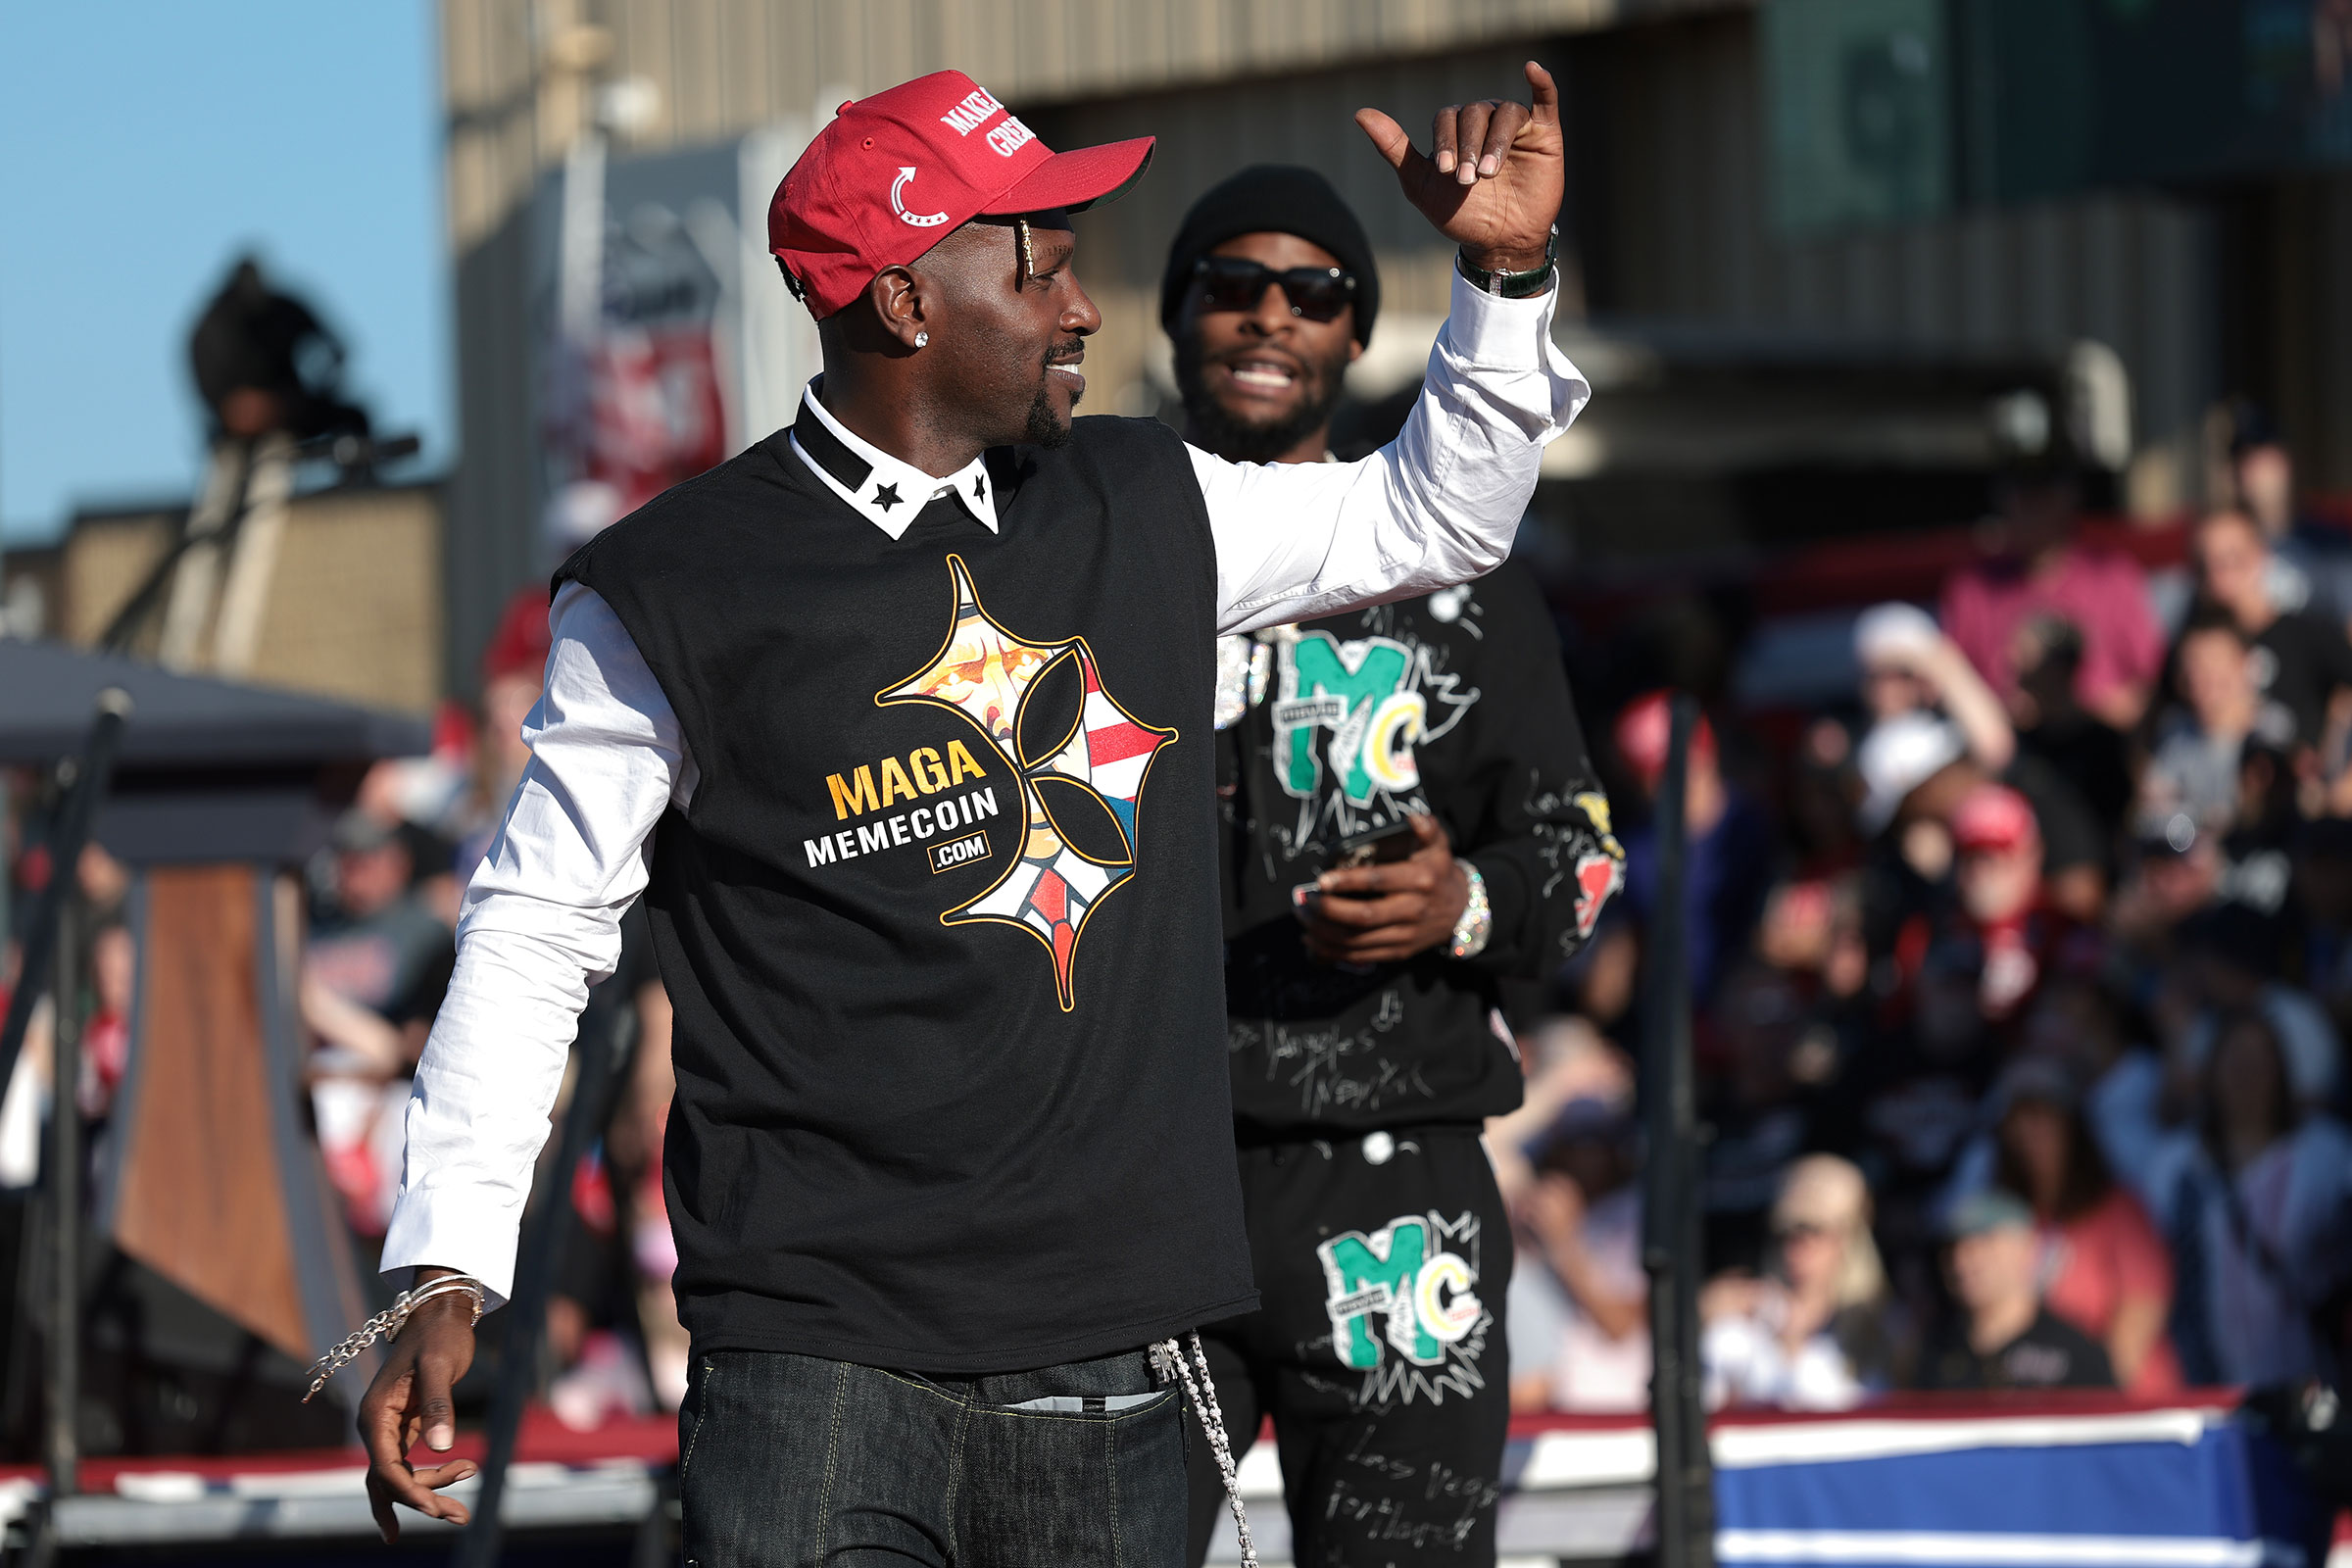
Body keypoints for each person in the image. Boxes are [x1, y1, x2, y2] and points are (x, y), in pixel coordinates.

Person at [356, 66, 1589, 1565]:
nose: (1081, 308)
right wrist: (446, 1260)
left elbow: (1438, 516)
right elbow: (536, 928)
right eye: (1041, 265)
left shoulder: (1144, 496)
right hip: (817, 1365)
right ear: (906, 305)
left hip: (1118, 1358)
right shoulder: (668, 590)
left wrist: (1505, 277)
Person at [1159, 163, 1622, 1568]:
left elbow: (1581, 860)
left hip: (1395, 1196)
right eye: (1232, 286)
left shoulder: (1457, 581)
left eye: (1313, 294)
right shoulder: (1088, 568)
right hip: (1136, 1192)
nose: (1267, 319)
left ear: (1358, 333)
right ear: (1175, 316)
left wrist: (1461, 901)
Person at [2139, 1008, 2352, 1388]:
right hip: (2199, 1381)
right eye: (2234, 1060)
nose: (2246, 1074)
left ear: (2282, 1073)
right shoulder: (2173, 1164)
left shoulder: (2327, 1157)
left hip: (2304, 1380)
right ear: (2211, 1072)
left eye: (2260, 1062)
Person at [1986, 1059, 2181, 1396]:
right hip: (2039, 1409)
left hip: (2123, 1405)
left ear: (2072, 1127)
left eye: (2044, 1119)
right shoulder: (2005, 1217)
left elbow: (2141, 1312)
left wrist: (2090, 1402)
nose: (2030, 1134)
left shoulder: (2120, 1211)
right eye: (2019, 1122)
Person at [1938, 466, 2164, 733]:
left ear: (2070, 496)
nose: (2032, 506)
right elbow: (1946, 682)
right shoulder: (1973, 586)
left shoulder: (2111, 573)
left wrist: (2088, 708)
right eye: (2021, 491)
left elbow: (2152, 681)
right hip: (2008, 747)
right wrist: (1998, 710)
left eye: (2044, 490)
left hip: (2101, 745)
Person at [1702, 1154, 1898, 1410]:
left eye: (1816, 1232)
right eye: (1788, 1233)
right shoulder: (1738, 1329)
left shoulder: (1884, 1328)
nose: (1800, 1247)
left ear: (1848, 1241)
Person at [1507, 1095, 1650, 1412]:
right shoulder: (1536, 1212)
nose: (1581, 1157)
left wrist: (1564, 1241)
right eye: (1570, 1144)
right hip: (1546, 1401)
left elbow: (1620, 1326)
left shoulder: (1635, 1212)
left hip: (1616, 1409)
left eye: (1592, 1143)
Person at [2185, 508, 2352, 756]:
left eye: (2230, 560)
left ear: (2262, 556)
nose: (2217, 576)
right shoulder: (2189, 645)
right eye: (2205, 565)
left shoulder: (2308, 634)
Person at [1916, 1189, 2116, 1392]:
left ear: (2028, 1247)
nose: (1962, 1260)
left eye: (1984, 1241)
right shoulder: (1934, 1351)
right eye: (1952, 1247)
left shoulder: (2075, 1354)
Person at [2138, 612, 2297, 840]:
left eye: (2214, 664)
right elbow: (2153, 811)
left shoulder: (2275, 731)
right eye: (2192, 665)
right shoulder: (2173, 732)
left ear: (2245, 664)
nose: (2201, 678)